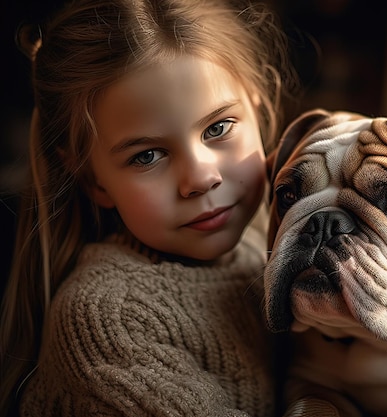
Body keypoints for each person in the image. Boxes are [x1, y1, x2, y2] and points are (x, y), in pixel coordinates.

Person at [0, 0, 297, 415]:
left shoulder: (267, 233)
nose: (200, 178)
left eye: (218, 128)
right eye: (146, 156)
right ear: (93, 179)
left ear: (258, 106)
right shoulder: (110, 317)